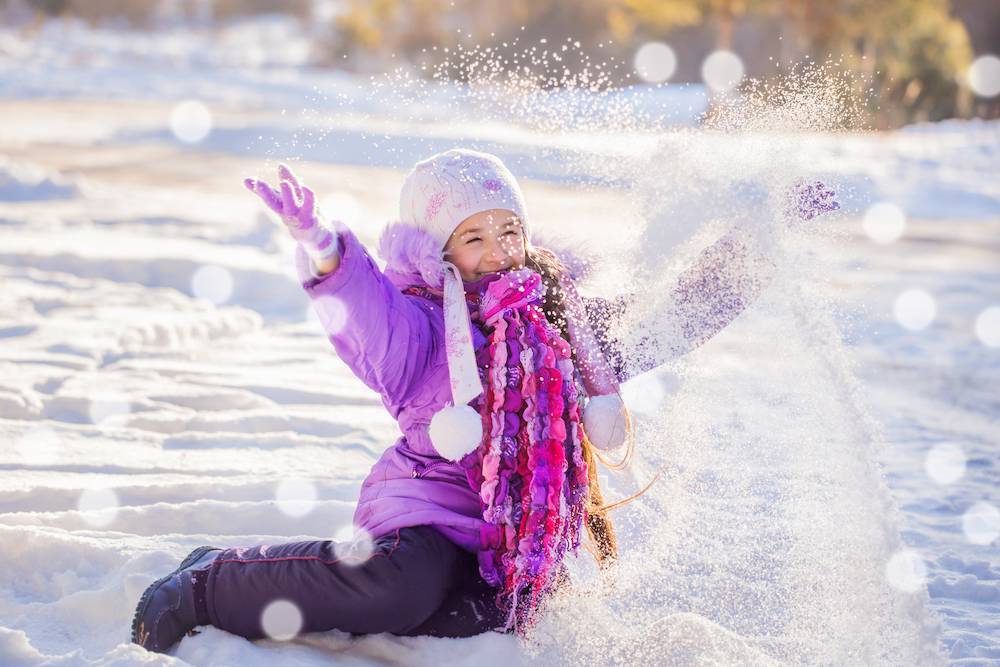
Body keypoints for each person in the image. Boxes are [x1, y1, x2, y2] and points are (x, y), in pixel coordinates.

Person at [131, 149, 838, 653]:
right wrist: (325, 251)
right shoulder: (424, 327)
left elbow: (668, 318)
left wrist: (759, 247)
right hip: (426, 517)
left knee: (494, 622)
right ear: (440, 252)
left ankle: (300, 587)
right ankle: (210, 580)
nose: (498, 250)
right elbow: (365, 311)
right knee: (400, 588)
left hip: (505, 543)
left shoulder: (563, 329)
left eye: (508, 231)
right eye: (473, 237)